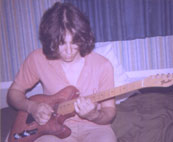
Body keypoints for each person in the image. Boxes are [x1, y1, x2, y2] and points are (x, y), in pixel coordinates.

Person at [7, 2, 117, 142]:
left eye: (75, 42)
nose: (69, 51)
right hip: (51, 128)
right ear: (50, 40)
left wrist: (94, 115)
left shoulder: (103, 65)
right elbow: (13, 93)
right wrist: (31, 107)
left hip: (95, 128)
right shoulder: (37, 59)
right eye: (61, 43)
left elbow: (109, 112)